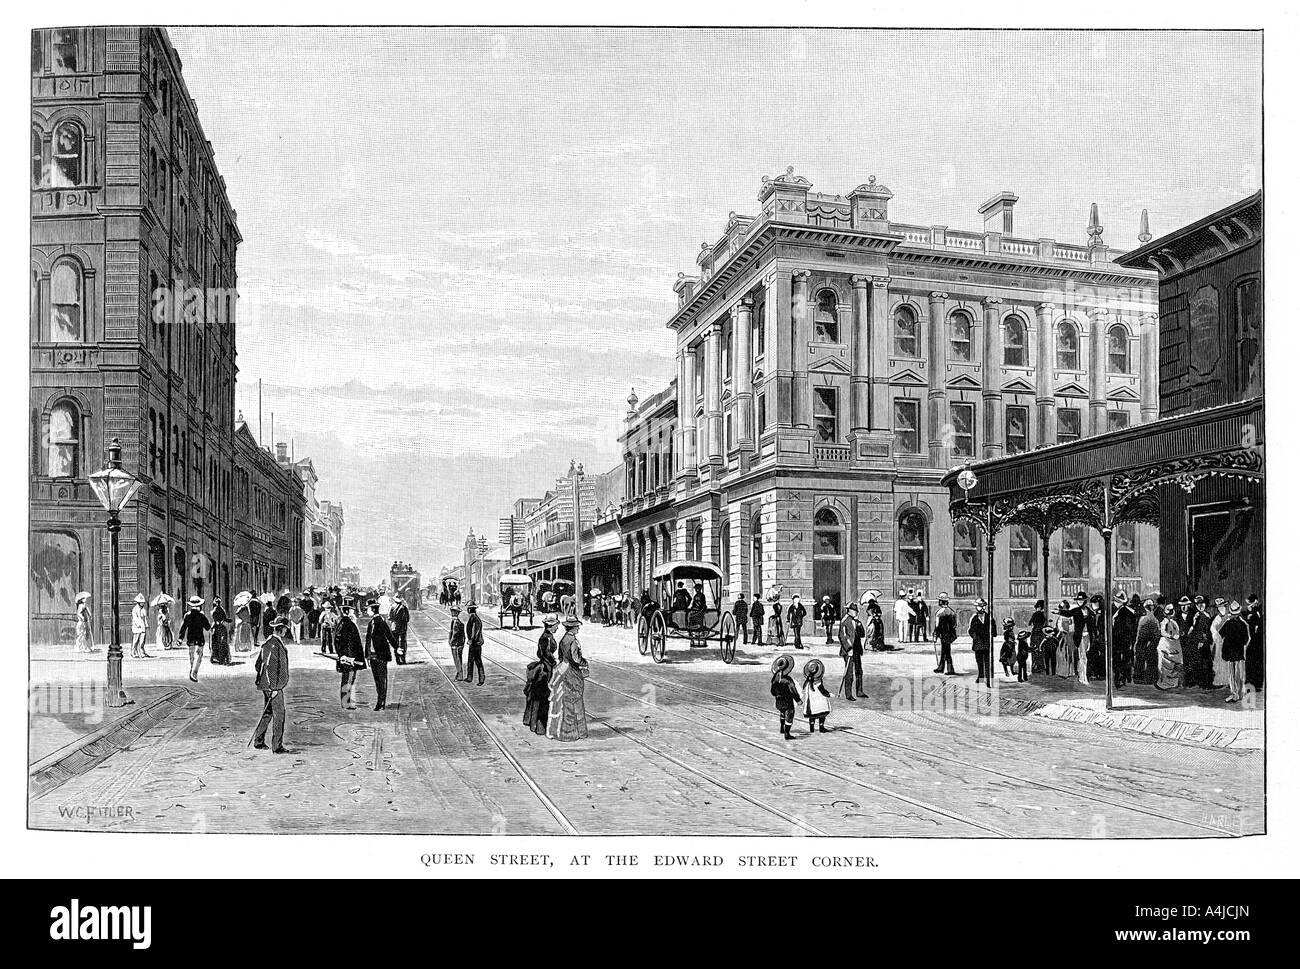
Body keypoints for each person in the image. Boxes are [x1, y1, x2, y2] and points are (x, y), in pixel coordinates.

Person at [547, 616, 590, 741]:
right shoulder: (573, 641)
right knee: (576, 701)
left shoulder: (563, 640)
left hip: (563, 669)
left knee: (565, 702)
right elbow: (576, 659)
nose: (578, 628)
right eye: (577, 626)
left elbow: (561, 657)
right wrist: (584, 661)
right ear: (574, 627)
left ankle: (566, 731)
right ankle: (578, 732)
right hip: (573, 672)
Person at [252, 616, 291, 753]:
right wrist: (274, 688)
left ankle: (258, 740)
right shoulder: (275, 645)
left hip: (267, 685)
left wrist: (265, 683)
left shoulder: (268, 643)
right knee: (279, 715)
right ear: (281, 629)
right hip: (274, 687)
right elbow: (271, 667)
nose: (286, 632)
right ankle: (277, 746)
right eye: (285, 629)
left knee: (267, 713)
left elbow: (258, 665)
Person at [523, 617, 559, 735]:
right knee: (543, 698)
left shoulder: (547, 636)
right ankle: (539, 727)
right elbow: (545, 654)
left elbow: (541, 653)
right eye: (555, 625)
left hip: (545, 667)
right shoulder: (546, 638)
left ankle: (537, 725)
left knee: (541, 698)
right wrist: (554, 662)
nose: (557, 627)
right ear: (550, 626)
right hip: (545, 670)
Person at [364, 601, 395, 710]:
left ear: (372, 609)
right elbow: (368, 640)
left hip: (381, 655)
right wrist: (367, 655)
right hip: (372, 656)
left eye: (368, 609)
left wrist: (396, 647)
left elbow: (389, 635)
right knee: (377, 679)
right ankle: (380, 699)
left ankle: (381, 701)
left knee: (382, 679)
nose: (367, 610)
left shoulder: (381, 621)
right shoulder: (371, 623)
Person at [334, 606, 365, 710]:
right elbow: (338, 640)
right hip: (349, 658)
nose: (354, 611)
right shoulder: (347, 623)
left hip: (349, 657)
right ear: (348, 611)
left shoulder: (345, 623)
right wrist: (342, 655)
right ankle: (346, 703)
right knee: (348, 680)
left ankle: (346, 702)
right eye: (352, 610)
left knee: (348, 680)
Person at [1219, 601, 1250, 703]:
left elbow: (1221, 634)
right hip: (1239, 652)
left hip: (1230, 652)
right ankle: (1240, 693)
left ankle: (1235, 694)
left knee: (1232, 675)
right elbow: (1247, 639)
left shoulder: (1228, 623)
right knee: (1240, 674)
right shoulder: (1243, 624)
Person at [837, 602, 866, 700]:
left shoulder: (856, 621)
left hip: (857, 649)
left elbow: (862, 635)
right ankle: (848, 694)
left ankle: (859, 691)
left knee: (859, 671)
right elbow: (842, 636)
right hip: (849, 651)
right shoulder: (845, 621)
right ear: (849, 611)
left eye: (856, 611)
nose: (856, 613)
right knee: (849, 673)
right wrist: (849, 648)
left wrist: (859, 625)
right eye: (854, 611)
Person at [178, 596, 211, 683]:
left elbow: (183, 628)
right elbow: (207, 627)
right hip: (199, 639)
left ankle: (192, 671)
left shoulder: (187, 615)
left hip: (191, 639)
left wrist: (180, 639)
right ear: (199, 605)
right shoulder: (201, 615)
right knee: (198, 657)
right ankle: (194, 672)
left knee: (192, 657)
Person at [1112, 593, 1141, 689]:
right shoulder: (1127, 611)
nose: (1115, 603)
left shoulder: (1125, 612)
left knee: (1121, 661)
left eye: (1117, 601)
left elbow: (1129, 627)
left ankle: (1121, 680)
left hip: (1122, 640)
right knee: (1122, 660)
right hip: (1123, 640)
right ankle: (1122, 679)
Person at [770, 654, 800, 741]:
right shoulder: (788, 680)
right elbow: (793, 690)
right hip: (787, 701)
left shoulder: (775, 678)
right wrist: (798, 700)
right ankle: (787, 733)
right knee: (789, 714)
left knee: (782, 712)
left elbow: (772, 691)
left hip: (778, 701)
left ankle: (782, 728)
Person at [1156, 603, 1185, 691]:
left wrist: (1179, 634)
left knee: (1174, 664)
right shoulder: (1164, 622)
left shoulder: (1174, 622)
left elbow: (1176, 632)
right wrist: (1171, 636)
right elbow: (1162, 632)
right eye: (1169, 612)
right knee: (1165, 665)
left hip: (1174, 645)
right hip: (1166, 645)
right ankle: (1164, 683)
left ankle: (1173, 683)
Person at [1132, 599, 1161, 685]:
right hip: (1152, 642)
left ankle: (1138, 678)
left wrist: (1136, 643)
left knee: (1139, 659)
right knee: (1151, 660)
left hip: (1142, 641)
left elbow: (1139, 632)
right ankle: (1151, 679)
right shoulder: (1155, 620)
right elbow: (1157, 633)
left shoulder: (1143, 619)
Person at [800, 658, 831, 733]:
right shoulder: (817, 680)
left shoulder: (808, 680)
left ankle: (812, 728)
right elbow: (821, 689)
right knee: (822, 713)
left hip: (811, 701)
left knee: (812, 715)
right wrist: (828, 694)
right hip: (818, 700)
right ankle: (821, 727)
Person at [933, 593, 958, 675]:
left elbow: (937, 626)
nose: (938, 602)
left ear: (941, 602)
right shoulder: (952, 612)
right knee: (945, 651)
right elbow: (955, 625)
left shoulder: (939, 613)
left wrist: (935, 635)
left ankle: (950, 670)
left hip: (943, 635)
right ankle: (941, 667)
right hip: (950, 634)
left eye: (939, 600)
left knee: (946, 652)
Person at [969, 598, 992, 683]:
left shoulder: (989, 617)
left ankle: (988, 677)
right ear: (976, 607)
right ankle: (981, 677)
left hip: (986, 643)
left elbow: (993, 630)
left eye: (983, 606)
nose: (982, 608)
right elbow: (970, 630)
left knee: (987, 661)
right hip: (978, 644)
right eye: (980, 606)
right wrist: (975, 637)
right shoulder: (974, 618)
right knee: (979, 662)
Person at [1244, 593, 1264, 692]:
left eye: (1251, 603)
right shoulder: (1249, 611)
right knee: (1250, 661)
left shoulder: (1257, 611)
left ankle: (1256, 684)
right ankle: (1249, 683)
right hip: (1250, 640)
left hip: (1256, 641)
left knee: (1256, 661)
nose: (1249, 605)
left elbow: (1258, 620)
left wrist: (1252, 613)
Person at [1210, 597, 1230, 689]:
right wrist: (1217, 637)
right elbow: (1212, 629)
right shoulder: (1217, 618)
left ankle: (1229, 681)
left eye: (1222, 606)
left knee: (1228, 662)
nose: (1221, 608)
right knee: (1219, 662)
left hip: (1229, 642)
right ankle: (1220, 681)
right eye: (1219, 607)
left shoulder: (1229, 616)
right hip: (1219, 642)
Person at [465, 602, 485, 686]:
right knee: (470, 660)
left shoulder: (474, 618)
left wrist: (471, 640)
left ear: (470, 609)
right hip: (473, 643)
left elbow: (474, 632)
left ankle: (481, 679)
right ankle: (469, 677)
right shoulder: (473, 617)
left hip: (475, 643)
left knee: (477, 661)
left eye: (468, 608)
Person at [210, 596, 231, 666]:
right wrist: (226, 620)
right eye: (217, 602)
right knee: (217, 642)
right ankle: (219, 657)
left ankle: (219, 657)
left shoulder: (217, 610)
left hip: (217, 626)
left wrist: (225, 620)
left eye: (218, 602)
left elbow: (222, 618)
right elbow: (224, 618)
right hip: (218, 626)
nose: (218, 604)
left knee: (218, 642)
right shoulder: (220, 609)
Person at [1029, 600, 1048, 675]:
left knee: (1034, 649)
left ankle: (1035, 666)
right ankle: (1041, 667)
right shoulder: (1043, 614)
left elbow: (1030, 623)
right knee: (1041, 649)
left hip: (1035, 632)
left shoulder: (1035, 614)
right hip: (1041, 632)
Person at [448, 604, 466, 680]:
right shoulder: (455, 621)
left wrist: (451, 641)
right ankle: (459, 674)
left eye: (453, 612)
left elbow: (454, 633)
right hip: (458, 643)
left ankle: (460, 675)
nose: (452, 613)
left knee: (457, 659)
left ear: (456, 613)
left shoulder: (456, 622)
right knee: (458, 659)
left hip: (456, 644)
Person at [390, 594, 410, 664]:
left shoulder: (392, 607)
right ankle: (403, 658)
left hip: (394, 627)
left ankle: (397, 660)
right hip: (402, 628)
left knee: (396, 643)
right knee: (403, 643)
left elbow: (390, 617)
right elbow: (407, 619)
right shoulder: (404, 608)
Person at [131, 594, 150, 658]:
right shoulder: (135, 609)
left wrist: (146, 624)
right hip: (137, 627)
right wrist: (137, 624)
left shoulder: (143, 609)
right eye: (141, 602)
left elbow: (144, 618)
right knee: (136, 640)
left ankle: (142, 651)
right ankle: (133, 652)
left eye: (143, 602)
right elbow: (135, 618)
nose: (142, 603)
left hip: (142, 626)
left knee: (142, 640)